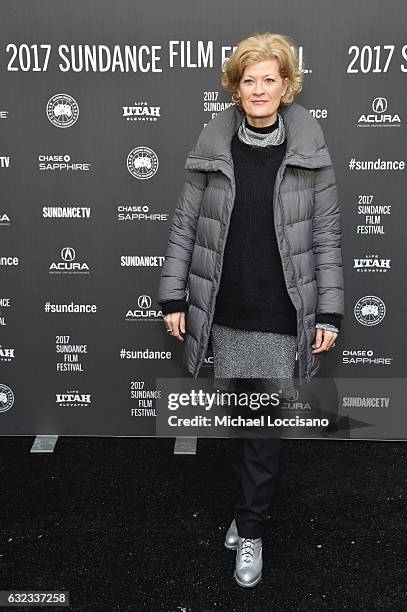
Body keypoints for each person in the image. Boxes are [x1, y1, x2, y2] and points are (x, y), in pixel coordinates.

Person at [157, 32, 345, 588]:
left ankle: (252, 530)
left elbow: (327, 238)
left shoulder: (310, 151)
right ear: (235, 88)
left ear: (287, 87)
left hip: (279, 315)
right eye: (249, 79)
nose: (259, 89)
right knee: (239, 424)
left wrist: (329, 312)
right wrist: (174, 296)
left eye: (270, 79)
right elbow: (186, 226)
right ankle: (247, 511)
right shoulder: (213, 146)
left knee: (261, 430)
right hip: (224, 311)